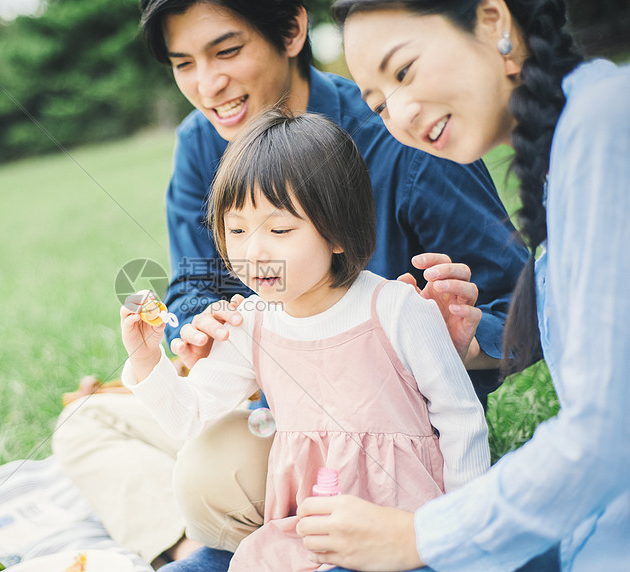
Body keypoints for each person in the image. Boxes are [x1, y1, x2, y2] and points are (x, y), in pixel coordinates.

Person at [51, 0, 526, 566]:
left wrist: (467, 342)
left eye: (227, 50)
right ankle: (187, 546)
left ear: (294, 29)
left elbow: (525, 302)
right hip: (265, 397)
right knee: (86, 421)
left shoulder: (403, 131)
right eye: (184, 64)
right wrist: (191, 336)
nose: (209, 84)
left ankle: (230, 540)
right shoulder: (201, 144)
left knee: (205, 476)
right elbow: (192, 289)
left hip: (393, 433)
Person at [290, 0, 630, 570]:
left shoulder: (603, 123)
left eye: (403, 72)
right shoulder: (570, 144)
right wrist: (467, 346)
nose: (398, 115)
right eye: (377, 104)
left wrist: (416, 538)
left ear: (493, 21)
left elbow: (604, 436)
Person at [120, 109, 490, 572]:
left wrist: (463, 534)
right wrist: (145, 358)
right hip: (307, 537)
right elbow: (188, 417)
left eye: (279, 230)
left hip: (404, 530)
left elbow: (460, 418)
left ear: (336, 232)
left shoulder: (395, 308)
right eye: (236, 230)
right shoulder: (251, 324)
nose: (253, 251)